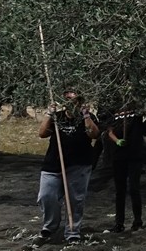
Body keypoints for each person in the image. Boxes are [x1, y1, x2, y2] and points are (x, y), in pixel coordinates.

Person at [37, 87, 100, 242]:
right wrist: (49, 114)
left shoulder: (88, 117)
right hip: (53, 163)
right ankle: (49, 227)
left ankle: (72, 232)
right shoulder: (56, 117)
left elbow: (94, 134)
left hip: (79, 164)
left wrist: (86, 115)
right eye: (67, 101)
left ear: (79, 102)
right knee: (46, 196)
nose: (70, 104)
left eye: (73, 100)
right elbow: (42, 133)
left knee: (75, 200)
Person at [106, 107, 145, 233]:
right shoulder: (113, 109)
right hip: (118, 155)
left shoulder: (137, 110)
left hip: (135, 155)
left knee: (134, 188)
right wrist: (117, 141)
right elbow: (109, 131)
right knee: (120, 190)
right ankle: (119, 223)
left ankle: (138, 221)